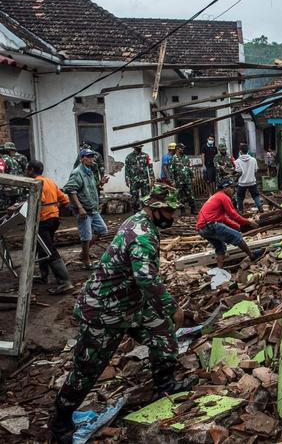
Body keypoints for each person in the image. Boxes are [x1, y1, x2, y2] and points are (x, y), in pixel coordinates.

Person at [49, 184, 195, 443]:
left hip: (131, 304)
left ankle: (165, 385)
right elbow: (146, 279)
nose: (173, 216)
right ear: (155, 209)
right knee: (87, 369)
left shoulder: (142, 223)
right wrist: (174, 308)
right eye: (170, 211)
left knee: (163, 334)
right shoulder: (142, 234)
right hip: (103, 310)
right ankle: (60, 421)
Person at [27, 160, 74, 294]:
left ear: (31, 170)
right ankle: (44, 276)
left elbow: (39, 199)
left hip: (43, 220)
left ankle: (65, 282)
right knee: (43, 248)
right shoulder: (50, 181)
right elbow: (64, 199)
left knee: (49, 250)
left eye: (27, 170)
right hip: (54, 219)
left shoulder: (36, 183)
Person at [196, 179, 259, 268]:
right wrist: (248, 222)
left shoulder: (216, 197)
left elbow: (225, 219)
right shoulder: (223, 197)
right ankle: (252, 256)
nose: (233, 190)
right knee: (237, 236)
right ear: (225, 188)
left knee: (220, 248)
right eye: (231, 188)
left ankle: (220, 270)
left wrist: (238, 226)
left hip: (202, 229)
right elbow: (233, 214)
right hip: (211, 225)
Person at [64, 149, 109, 270]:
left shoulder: (89, 171)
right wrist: (80, 207)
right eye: (89, 157)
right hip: (84, 210)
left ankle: (84, 252)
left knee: (102, 230)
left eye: (92, 157)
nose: (91, 159)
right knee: (86, 236)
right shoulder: (77, 172)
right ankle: (87, 262)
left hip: (92, 209)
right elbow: (70, 189)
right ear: (82, 158)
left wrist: (100, 183)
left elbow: (90, 187)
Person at [124, 145, 155, 213]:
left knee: (146, 196)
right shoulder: (129, 157)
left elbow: (150, 167)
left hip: (144, 180)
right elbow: (127, 169)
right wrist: (127, 179)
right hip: (134, 180)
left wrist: (152, 177)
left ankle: (146, 211)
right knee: (134, 197)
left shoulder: (146, 156)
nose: (140, 148)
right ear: (134, 147)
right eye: (138, 147)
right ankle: (135, 211)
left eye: (140, 147)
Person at [168, 143, 196, 215]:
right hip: (178, 181)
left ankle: (193, 209)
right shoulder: (173, 158)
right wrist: (172, 181)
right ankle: (182, 210)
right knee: (180, 196)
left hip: (187, 180)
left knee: (191, 195)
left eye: (183, 148)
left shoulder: (186, 157)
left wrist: (193, 177)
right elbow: (171, 171)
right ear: (177, 149)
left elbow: (190, 168)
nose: (183, 149)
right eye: (181, 148)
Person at [234, 144, 262, 213]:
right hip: (252, 182)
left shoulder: (237, 161)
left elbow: (238, 171)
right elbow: (256, 170)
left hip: (242, 183)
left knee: (240, 197)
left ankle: (240, 210)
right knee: (255, 195)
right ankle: (260, 207)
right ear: (248, 151)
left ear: (240, 151)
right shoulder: (253, 160)